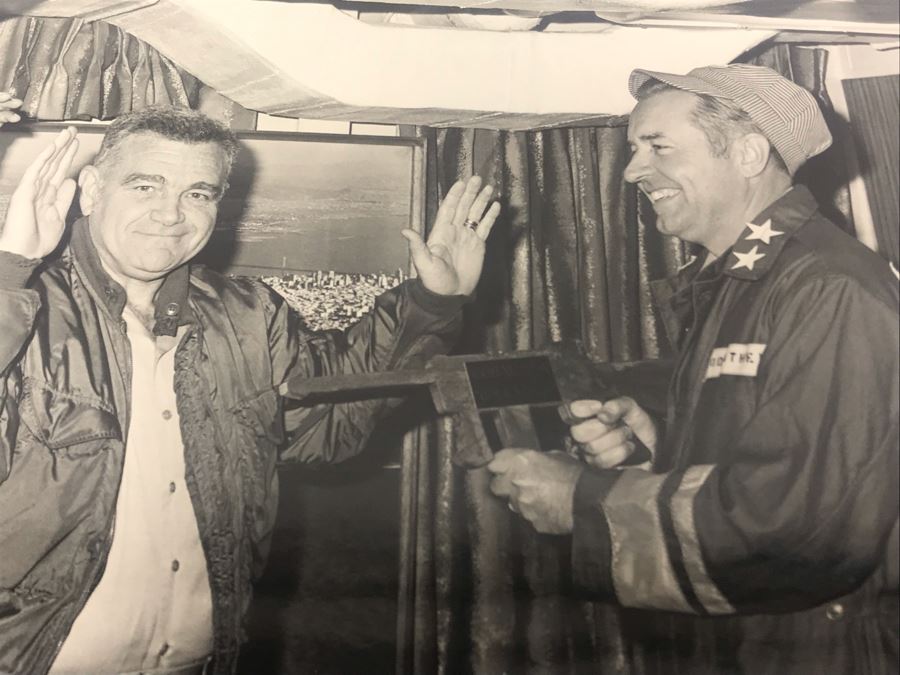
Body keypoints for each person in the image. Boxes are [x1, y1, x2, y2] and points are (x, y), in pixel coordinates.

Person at [0, 105, 499, 675]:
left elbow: (326, 427)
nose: (171, 213)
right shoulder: (25, 306)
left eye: (198, 193)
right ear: (91, 190)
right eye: (145, 186)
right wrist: (9, 274)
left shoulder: (248, 314)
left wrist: (432, 302)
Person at [488, 64, 899, 674]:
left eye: (658, 147)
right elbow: (759, 454)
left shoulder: (830, 288)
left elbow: (795, 527)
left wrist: (584, 499)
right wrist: (657, 448)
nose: (632, 171)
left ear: (749, 154)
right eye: (634, 150)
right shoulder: (741, 282)